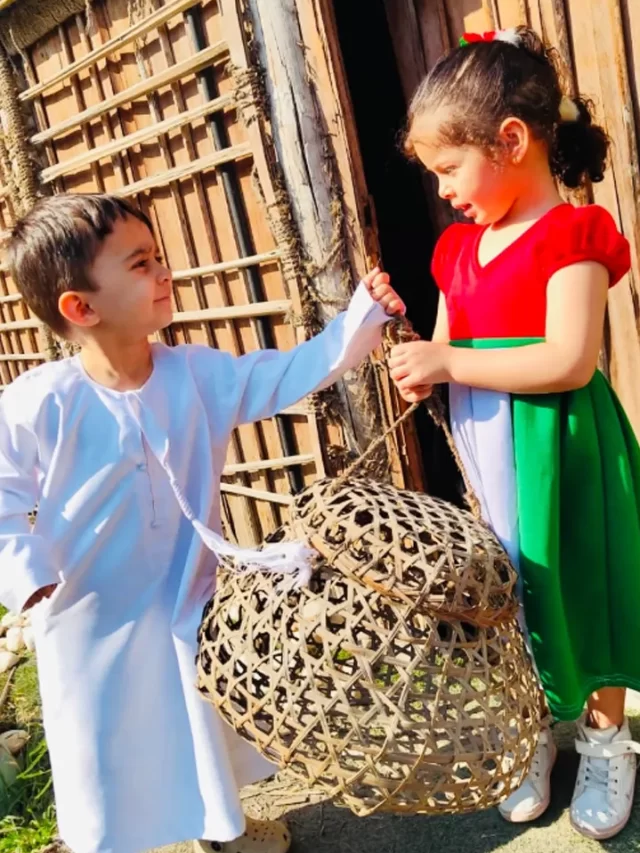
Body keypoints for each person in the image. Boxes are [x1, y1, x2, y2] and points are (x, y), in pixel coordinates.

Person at [0, 193, 404, 853]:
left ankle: (218, 831)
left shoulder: (195, 374)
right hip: (86, 612)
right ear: (81, 306)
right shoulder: (38, 402)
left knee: (198, 718)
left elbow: (288, 374)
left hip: (184, 597)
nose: (164, 272)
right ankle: (101, 842)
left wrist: (362, 314)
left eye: (158, 257)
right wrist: (27, 575)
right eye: (140, 264)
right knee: (102, 741)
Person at [381, 25, 640, 841]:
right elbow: (453, 348)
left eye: (449, 168)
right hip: (491, 458)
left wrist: (450, 359)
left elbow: (567, 360)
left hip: (564, 452)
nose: (444, 190)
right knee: (508, 591)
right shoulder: (457, 249)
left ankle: (606, 736)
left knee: (582, 580)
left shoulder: (575, 235)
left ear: (513, 140)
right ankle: (536, 733)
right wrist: (425, 365)